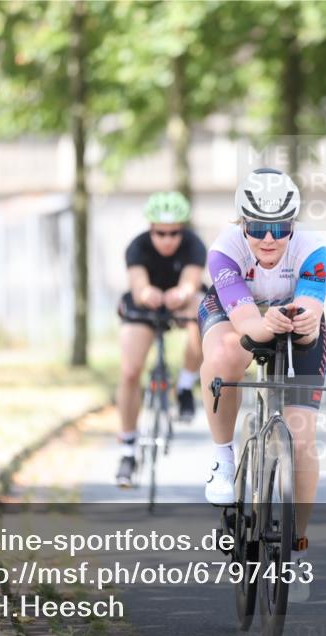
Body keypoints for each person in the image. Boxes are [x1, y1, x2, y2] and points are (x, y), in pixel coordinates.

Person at [198, 167, 326, 595]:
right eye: (257, 227)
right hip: (237, 315)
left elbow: (309, 320)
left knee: (304, 436)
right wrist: (266, 324)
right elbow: (247, 326)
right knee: (224, 354)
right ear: (242, 223)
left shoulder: (313, 249)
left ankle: (298, 545)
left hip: (289, 322)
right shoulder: (224, 250)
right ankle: (223, 456)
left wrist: (305, 323)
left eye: (279, 228)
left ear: (293, 225)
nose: (268, 239)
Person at [116, 191, 206, 488]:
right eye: (160, 233)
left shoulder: (194, 245)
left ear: (183, 230)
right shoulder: (137, 247)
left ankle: (183, 386)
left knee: (204, 315)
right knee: (129, 372)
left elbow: (191, 282)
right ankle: (128, 449)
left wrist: (180, 294)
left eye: (174, 233)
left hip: (181, 301)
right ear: (151, 229)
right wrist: (146, 294)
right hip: (145, 306)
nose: (167, 239)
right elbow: (138, 283)